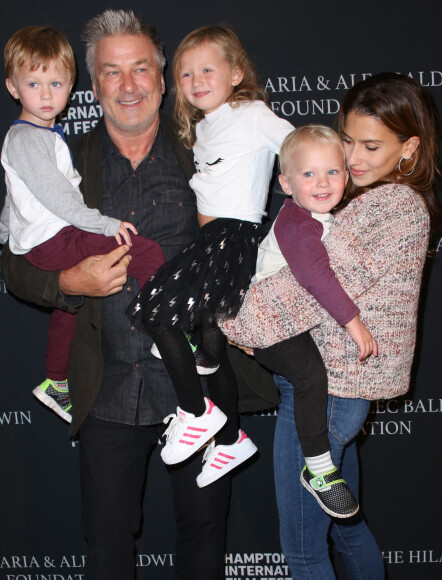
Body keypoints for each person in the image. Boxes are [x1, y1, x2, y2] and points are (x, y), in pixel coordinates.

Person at [0, 10, 247, 579]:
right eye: (112, 72)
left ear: (163, 80)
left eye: (141, 69)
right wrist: (67, 284)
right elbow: (16, 263)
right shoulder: (59, 160)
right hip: (106, 388)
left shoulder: (207, 154)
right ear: (93, 86)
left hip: (197, 393)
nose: (129, 85)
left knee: (206, 535)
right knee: (107, 544)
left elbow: (249, 245)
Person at [221, 72, 442, 579]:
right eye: (347, 140)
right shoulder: (357, 201)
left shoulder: (392, 207)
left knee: (302, 550)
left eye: (371, 145)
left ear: (409, 148)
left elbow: (304, 294)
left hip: (328, 396)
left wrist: (226, 314)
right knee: (346, 530)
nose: (354, 158)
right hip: (330, 388)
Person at [127, 25, 294, 488]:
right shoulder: (203, 128)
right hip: (211, 243)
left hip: (233, 238)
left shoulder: (253, 113)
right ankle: (232, 439)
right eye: (184, 74)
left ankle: (195, 412)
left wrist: (315, 193)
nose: (196, 80)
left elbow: (299, 147)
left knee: (156, 310)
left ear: (236, 73)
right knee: (211, 355)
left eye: (207, 69)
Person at [0, 25, 166, 423]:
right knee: (146, 252)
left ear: (71, 87)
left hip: (45, 239)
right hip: (55, 238)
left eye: (55, 83)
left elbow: (13, 198)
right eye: (33, 83)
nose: (44, 94)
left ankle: (56, 380)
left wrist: (5, 233)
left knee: (67, 310)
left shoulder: (37, 136)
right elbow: (57, 198)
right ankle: (168, 332)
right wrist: (105, 225)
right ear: (12, 87)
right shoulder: (29, 140)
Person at [250, 124, 377, 519]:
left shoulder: (325, 219)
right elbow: (316, 278)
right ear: (286, 183)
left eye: (332, 172)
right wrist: (354, 324)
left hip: (291, 324)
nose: (322, 183)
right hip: (268, 324)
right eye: (309, 174)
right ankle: (319, 469)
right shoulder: (296, 223)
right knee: (309, 376)